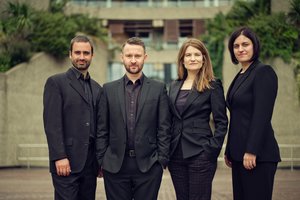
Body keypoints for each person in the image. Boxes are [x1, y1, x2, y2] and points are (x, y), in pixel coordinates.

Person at [96, 37, 171, 200]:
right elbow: (102, 128)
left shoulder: (158, 89)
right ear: (122, 57)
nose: (133, 60)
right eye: (129, 56)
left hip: (149, 166)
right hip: (115, 166)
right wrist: (102, 159)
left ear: (145, 57)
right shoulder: (108, 89)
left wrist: (161, 160)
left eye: (137, 56)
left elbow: (164, 127)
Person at [224, 27, 281, 200]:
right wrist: (229, 149)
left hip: (258, 156)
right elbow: (237, 116)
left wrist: (251, 150)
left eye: (245, 44)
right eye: (236, 46)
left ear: (254, 46)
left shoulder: (263, 72)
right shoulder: (241, 74)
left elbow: (261, 115)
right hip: (239, 155)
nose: (240, 49)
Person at [43, 35, 102, 200]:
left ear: (92, 55)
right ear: (70, 54)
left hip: (90, 165)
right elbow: (52, 124)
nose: (81, 57)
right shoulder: (56, 83)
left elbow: (99, 127)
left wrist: (100, 161)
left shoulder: (98, 89)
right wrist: (59, 156)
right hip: (66, 163)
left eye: (86, 53)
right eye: (77, 53)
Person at [168, 38, 228, 200]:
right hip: (176, 155)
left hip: (200, 153)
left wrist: (212, 149)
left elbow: (221, 121)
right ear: (182, 59)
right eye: (188, 55)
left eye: (196, 54)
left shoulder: (212, 85)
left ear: (204, 59)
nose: (192, 58)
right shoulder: (174, 86)